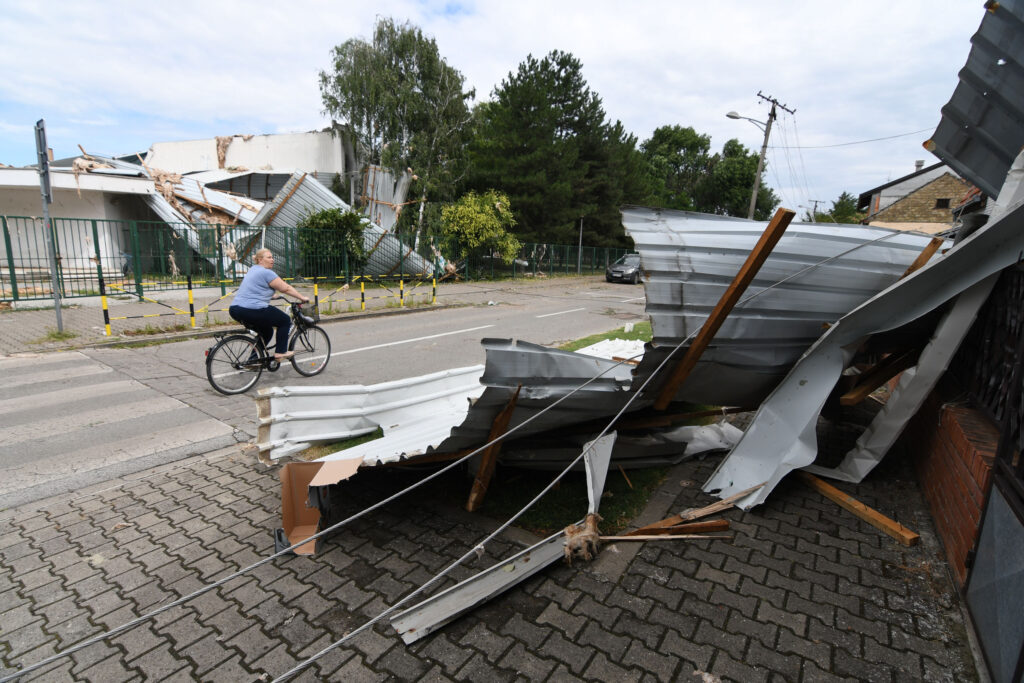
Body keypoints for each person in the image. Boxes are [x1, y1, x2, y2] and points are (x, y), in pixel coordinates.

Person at [229, 249, 309, 360]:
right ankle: (280, 352)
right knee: (285, 320)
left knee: (267, 331)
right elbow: (285, 288)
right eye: (269, 257)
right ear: (260, 260)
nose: (272, 260)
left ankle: (254, 359)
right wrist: (302, 298)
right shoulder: (267, 273)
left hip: (235, 309)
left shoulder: (253, 269)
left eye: (272, 257)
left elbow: (254, 288)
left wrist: (272, 296)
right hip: (252, 309)